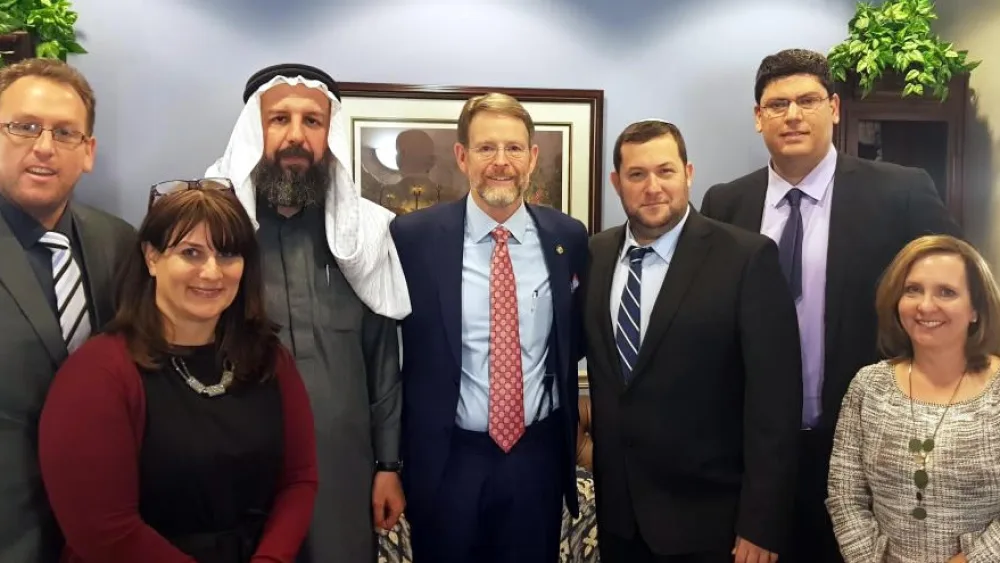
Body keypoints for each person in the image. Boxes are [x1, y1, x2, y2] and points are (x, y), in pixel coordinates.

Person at [699, 48, 963, 563]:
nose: (793, 115)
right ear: (758, 117)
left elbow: (960, 288)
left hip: (867, 448)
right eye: (778, 105)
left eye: (808, 101)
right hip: (752, 455)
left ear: (835, 108)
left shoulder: (901, 192)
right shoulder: (725, 204)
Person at [37, 183, 318, 563]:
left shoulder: (269, 359)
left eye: (228, 253)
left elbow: (299, 479)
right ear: (151, 257)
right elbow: (102, 529)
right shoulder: (97, 376)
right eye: (191, 253)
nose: (212, 272)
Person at [204, 63, 409, 563]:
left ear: (329, 135)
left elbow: (382, 360)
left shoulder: (364, 236)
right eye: (279, 119)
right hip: (238, 464)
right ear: (254, 132)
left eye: (312, 121)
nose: (296, 135)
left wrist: (388, 465)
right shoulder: (209, 233)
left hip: (342, 467)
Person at [585, 119, 802, 563]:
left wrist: (760, 524)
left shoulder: (746, 258)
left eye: (665, 171)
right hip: (620, 520)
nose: (653, 187)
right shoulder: (595, 254)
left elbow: (774, 405)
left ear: (688, 173)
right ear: (616, 183)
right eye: (637, 174)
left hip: (712, 523)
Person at [389, 92, 588, 562]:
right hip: (447, 461)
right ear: (462, 157)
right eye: (486, 148)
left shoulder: (567, 237)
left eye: (514, 148)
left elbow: (576, 335)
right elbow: (390, 348)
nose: (501, 162)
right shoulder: (412, 239)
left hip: (535, 459)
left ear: (532, 157)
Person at [0, 58, 136, 563]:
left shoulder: (120, 244)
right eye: (23, 127)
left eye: (64, 133)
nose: (43, 147)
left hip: (105, 538)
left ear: (88, 152)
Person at [827, 234, 1000, 563]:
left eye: (946, 292)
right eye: (913, 290)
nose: (925, 306)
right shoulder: (868, 386)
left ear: (976, 309)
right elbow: (845, 493)